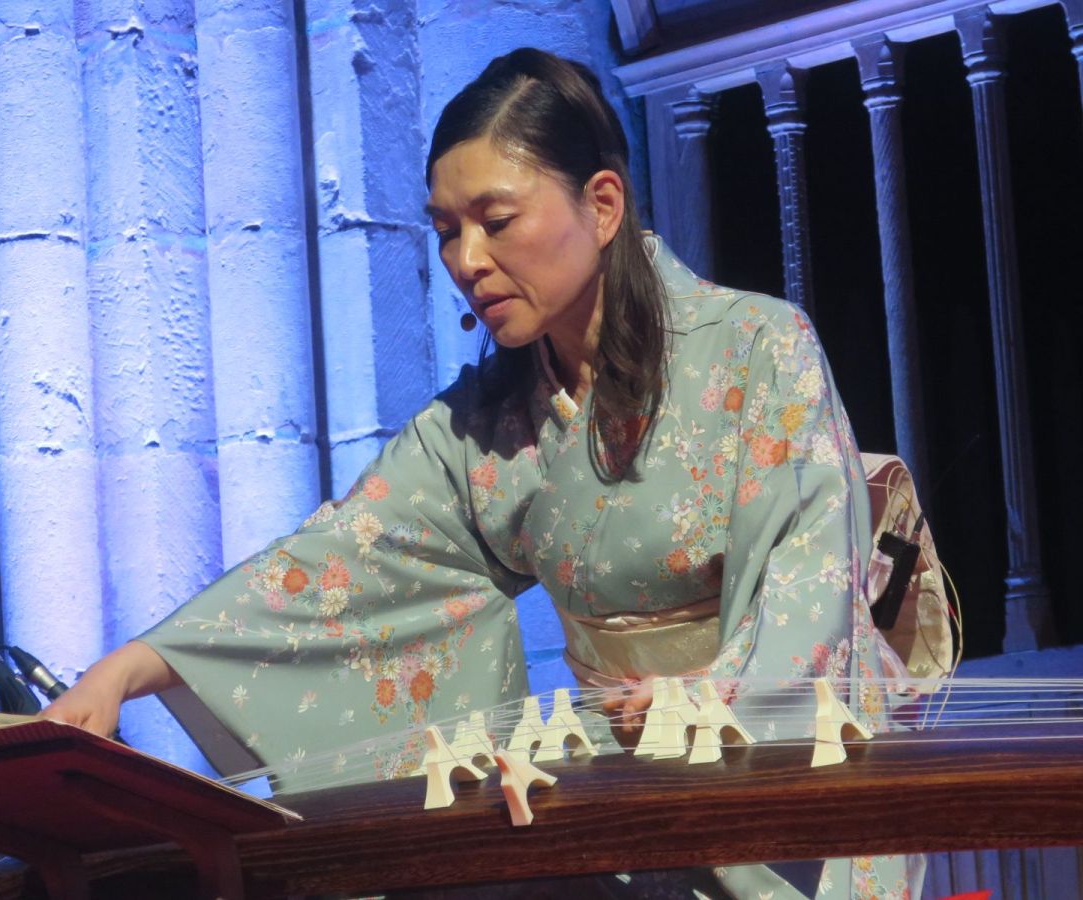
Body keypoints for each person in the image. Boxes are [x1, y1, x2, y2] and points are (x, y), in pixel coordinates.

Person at [45, 48, 922, 899]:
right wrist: (130, 668)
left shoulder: (760, 350)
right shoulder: (486, 425)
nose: (466, 260)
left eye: (495, 222)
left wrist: (705, 698)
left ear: (603, 205)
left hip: (786, 789)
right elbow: (337, 564)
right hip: (630, 796)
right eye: (447, 231)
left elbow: (809, 595)